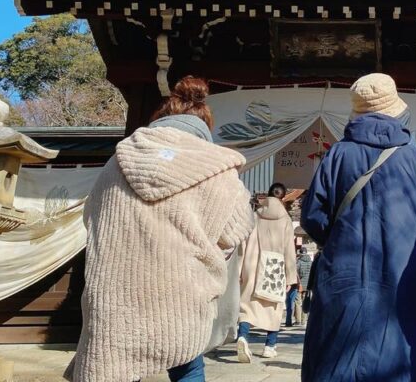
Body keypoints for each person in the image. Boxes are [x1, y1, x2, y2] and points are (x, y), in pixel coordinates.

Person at [70, 77, 254, 382]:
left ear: (160, 119)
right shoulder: (219, 170)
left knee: (114, 367)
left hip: (115, 292)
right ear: (204, 128)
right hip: (183, 291)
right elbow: (234, 232)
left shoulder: (117, 162)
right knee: (187, 366)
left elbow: (91, 216)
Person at [300, 73, 416, 382]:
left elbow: (312, 216)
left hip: (343, 279)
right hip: (406, 281)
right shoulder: (414, 159)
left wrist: (339, 237)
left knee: (339, 365)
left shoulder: (336, 156)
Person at [237, 182, 298, 361]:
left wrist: (239, 269)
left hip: (252, 264)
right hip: (275, 266)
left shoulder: (254, 216)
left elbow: (242, 244)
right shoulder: (285, 219)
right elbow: (289, 249)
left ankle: (243, 336)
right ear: (283, 197)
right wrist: (290, 277)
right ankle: (270, 346)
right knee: (275, 307)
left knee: (247, 305)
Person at [289, 245, 314, 327]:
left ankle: (298, 321)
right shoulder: (311, 262)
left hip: (299, 285)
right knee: (305, 301)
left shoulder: (299, 262)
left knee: (298, 302)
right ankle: (304, 320)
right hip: (308, 285)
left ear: (300, 253)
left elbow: (296, 273)